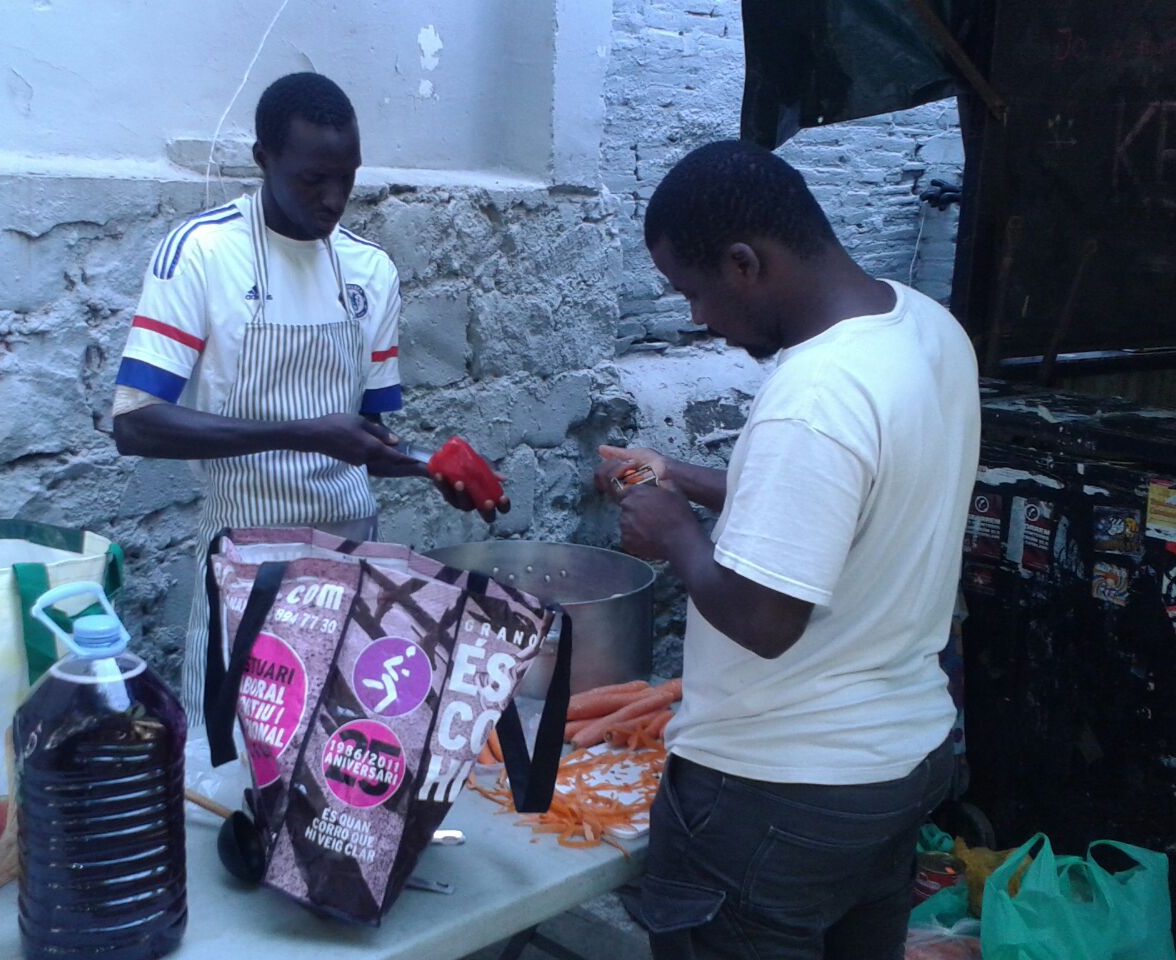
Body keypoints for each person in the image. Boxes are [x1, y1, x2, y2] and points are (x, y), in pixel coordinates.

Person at [596, 140, 978, 959]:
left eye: (695, 292)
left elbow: (767, 619)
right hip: (893, 769)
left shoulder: (815, 395)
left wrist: (675, 535)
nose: (697, 317)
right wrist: (678, 476)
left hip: (777, 793)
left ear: (745, 263)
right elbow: (838, 505)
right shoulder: (926, 328)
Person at [112, 72, 504, 721]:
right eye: (312, 179)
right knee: (237, 753)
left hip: (352, 563)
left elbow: (368, 441)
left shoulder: (370, 271)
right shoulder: (202, 254)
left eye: (347, 178)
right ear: (263, 159)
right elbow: (135, 424)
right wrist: (302, 432)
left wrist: (430, 467)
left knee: (342, 753)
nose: (333, 200)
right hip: (247, 561)